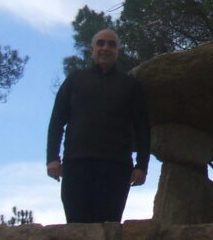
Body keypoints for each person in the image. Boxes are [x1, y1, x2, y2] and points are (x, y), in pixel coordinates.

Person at [46, 29, 150, 223]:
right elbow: (57, 121)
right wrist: (52, 158)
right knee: (76, 228)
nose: (105, 48)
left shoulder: (130, 86)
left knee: (109, 230)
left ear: (118, 51)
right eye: (101, 43)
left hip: (116, 168)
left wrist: (142, 165)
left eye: (111, 44)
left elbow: (143, 128)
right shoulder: (74, 81)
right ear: (92, 49)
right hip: (76, 165)